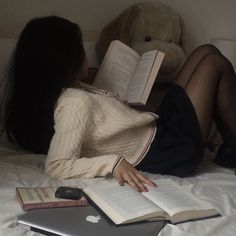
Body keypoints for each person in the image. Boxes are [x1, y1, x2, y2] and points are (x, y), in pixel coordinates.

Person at [2, 16, 236, 192]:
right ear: (66, 59)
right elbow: (57, 165)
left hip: (157, 127)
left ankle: (231, 145)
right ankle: (232, 145)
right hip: (169, 148)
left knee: (206, 51)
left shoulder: (67, 89)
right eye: (80, 49)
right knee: (213, 63)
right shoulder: (74, 102)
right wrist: (113, 164)